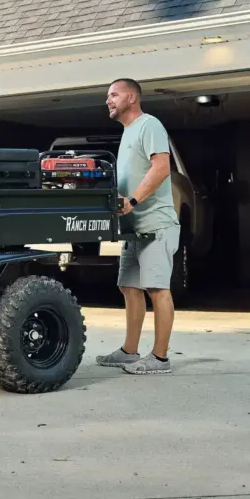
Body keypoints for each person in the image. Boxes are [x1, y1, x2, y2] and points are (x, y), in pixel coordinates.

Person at [95, 78, 180, 374]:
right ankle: (130, 351)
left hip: (156, 223)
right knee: (129, 286)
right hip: (134, 227)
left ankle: (160, 359)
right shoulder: (128, 132)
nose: (108, 100)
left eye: (113, 95)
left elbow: (161, 167)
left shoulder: (149, 125)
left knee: (157, 289)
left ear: (131, 98)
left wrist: (131, 200)